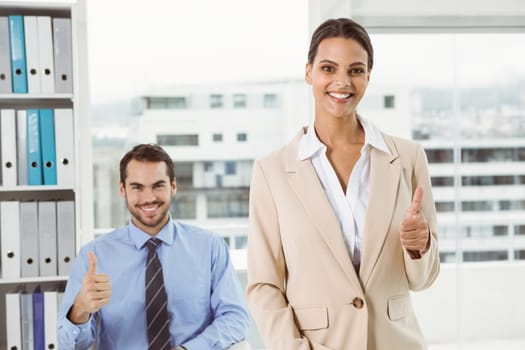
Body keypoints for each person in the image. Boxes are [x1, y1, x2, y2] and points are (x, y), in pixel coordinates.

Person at [246, 18, 440, 350]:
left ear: (367, 76)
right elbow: (264, 285)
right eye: (328, 68)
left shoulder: (407, 158)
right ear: (309, 73)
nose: (342, 82)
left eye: (355, 70)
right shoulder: (272, 171)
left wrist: (418, 247)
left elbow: (423, 279)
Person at [58, 143, 249, 349]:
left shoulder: (210, 247)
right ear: (122, 190)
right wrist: (80, 310)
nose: (149, 198)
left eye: (158, 185)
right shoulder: (94, 255)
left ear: (173, 186)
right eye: (137, 187)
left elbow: (235, 318)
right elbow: (69, 345)